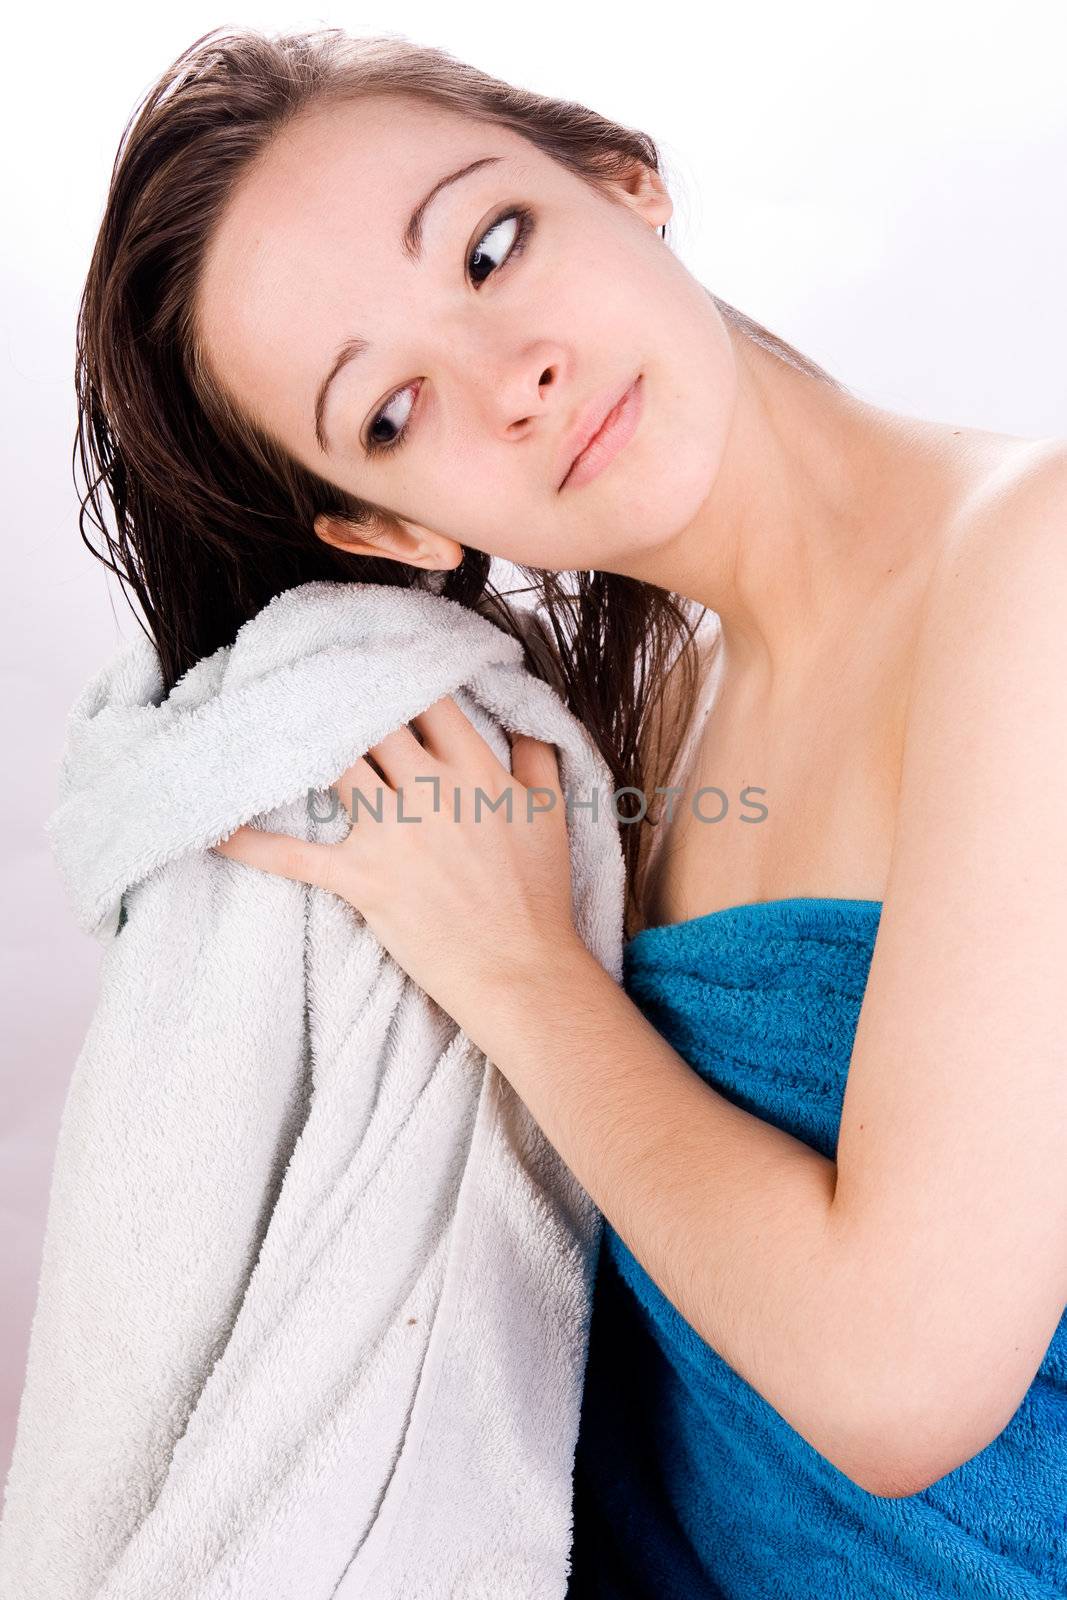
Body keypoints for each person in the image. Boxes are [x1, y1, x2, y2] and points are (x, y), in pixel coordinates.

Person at [73, 23, 1066, 1597]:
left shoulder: (1037, 560)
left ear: (624, 179)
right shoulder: (612, 748)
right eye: (392, 412)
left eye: (491, 244)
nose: (511, 378)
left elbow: (902, 1385)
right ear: (385, 527)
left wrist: (527, 978)